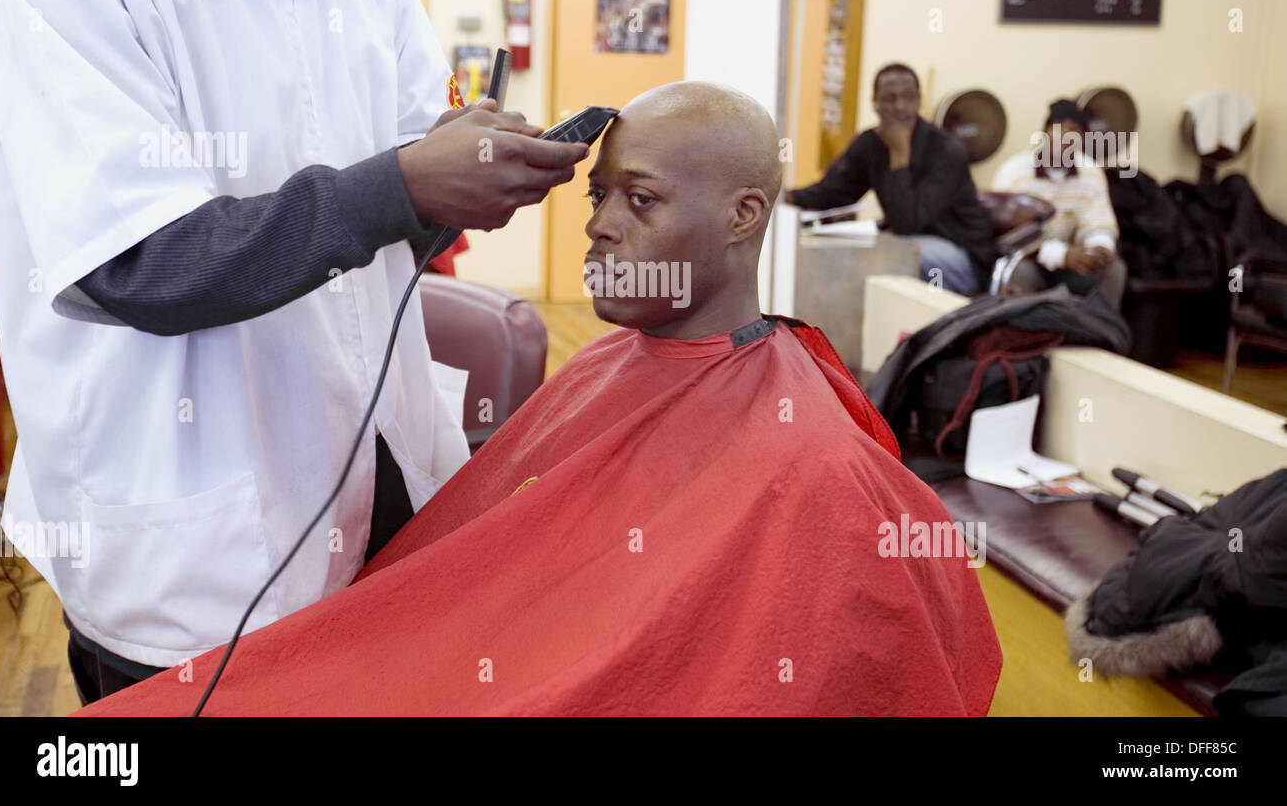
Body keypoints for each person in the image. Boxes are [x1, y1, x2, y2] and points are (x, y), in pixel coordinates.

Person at [81, 82, 1002, 716]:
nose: (600, 224)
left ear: (742, 216)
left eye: (640, 200)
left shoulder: (814, 473)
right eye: (597, 195)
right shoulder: (610, 366)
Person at [0, 0, 590, 703]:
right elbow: (142, 263)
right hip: (196, 539)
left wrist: (465, 163)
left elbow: (409, 147)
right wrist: (409, 182)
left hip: (382, 471)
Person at [787, 63, 996, 294]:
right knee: (841, 249)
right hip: (909, 245)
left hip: (963, 257)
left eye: (908, 97)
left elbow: (907, 223)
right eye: (889, 98)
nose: (900, 107)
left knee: (891, 252)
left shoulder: (947, 150)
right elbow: (831, 194)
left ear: (919, 101)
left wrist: (899, 155)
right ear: (874, 103)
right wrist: (783, 196)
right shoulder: (869, 144)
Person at [992, 100, 1127, 310]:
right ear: (1044, 132)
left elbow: (1098, 224)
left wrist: (1099, 248)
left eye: (1073, 130)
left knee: (1114, 269)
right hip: (1028, 259)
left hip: (1072, 262)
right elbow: (1008, 240)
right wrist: (1061, 256)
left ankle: (1098, 336)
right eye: (1058, 128)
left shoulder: (1090, 173)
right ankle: (1019, 339)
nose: (1065, 137)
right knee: (1019, 272)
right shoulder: (1014, 173)